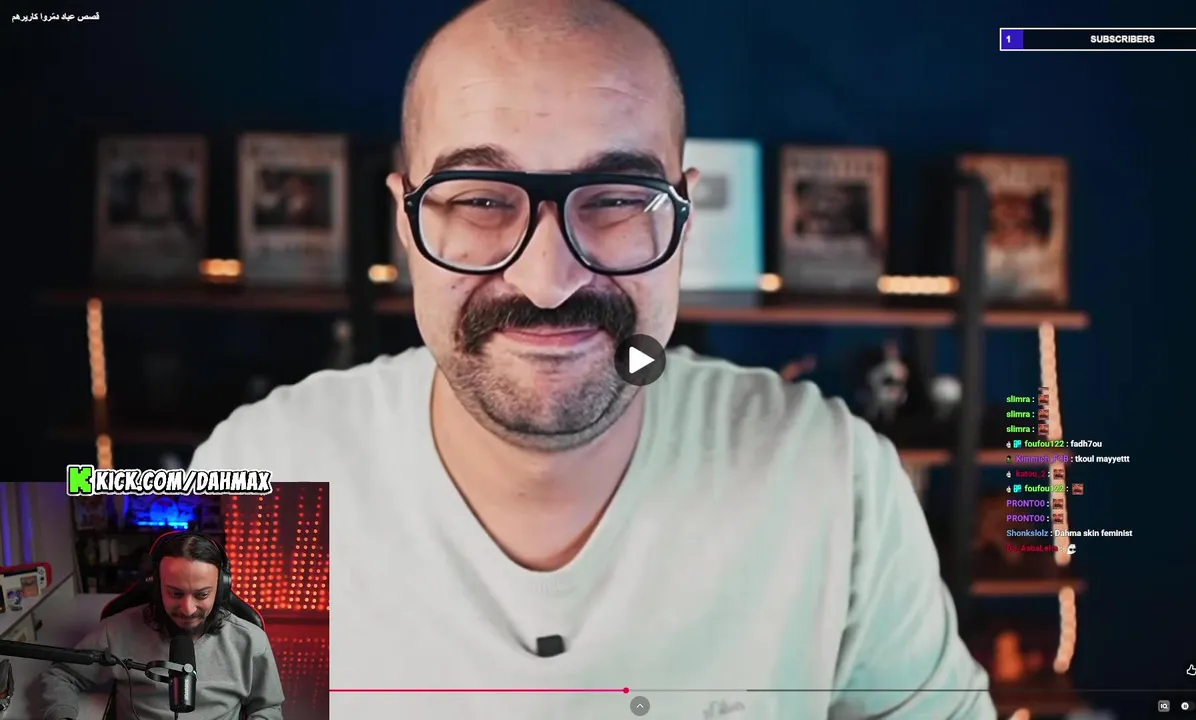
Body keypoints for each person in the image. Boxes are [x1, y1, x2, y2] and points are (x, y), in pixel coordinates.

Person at [190, 0, 996, 717]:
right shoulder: (262, 467)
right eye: (481, 199)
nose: (547, 281)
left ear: (683, 217)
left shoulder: (831, 475)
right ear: (406, 224)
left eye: (614, 199)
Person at [36, 534, 284, 720]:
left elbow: (267, 707)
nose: (188, 609)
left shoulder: (250, 640)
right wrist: (61, 715)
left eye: (202, 594)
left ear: (220, 590)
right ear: (156, 587)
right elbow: (63, 675)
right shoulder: (117, 630)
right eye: (175, 593)